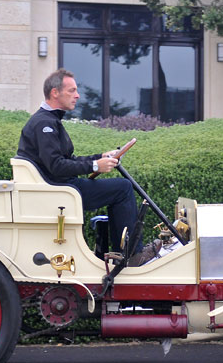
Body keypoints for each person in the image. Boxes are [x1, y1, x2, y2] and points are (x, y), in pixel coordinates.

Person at [17, 68, 156, 262]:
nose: (77, 95)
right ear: (55, 93)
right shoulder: (44, 124)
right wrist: (94, 166)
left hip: (60, 186)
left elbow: (67, 160)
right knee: (122, 188)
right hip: (60, 190)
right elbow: (57, 166)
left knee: (120, 188)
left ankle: (124, 253)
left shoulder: (48, 120)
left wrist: (100, 157)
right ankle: (131, 255)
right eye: (72, 90)